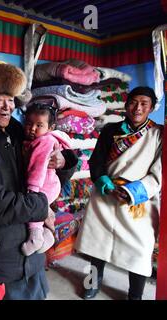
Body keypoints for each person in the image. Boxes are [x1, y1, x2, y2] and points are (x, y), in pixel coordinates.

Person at [0, 60, 78, 300]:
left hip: (29, 258)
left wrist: (63, 162)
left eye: (11, 99)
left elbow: (46, 176)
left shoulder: (20, 134)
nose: (6, 107)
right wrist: (40, 207)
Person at [75, 87, 162, 300]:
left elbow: (159, 172)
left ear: (151, 107)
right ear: (126, 104)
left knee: (139, 252)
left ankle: (135, 295)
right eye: (133, 102)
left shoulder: (159, 134)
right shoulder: (110, 129)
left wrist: (133, 192)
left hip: (137, 202)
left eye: (144, 103)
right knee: (96, 245)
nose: (138, 107)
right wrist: (103, 180)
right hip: (105, 194)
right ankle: (92, 284)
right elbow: (96, 160)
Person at [21, 102, 72, 256]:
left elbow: (37, 168)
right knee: (41, 210)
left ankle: (36, 237)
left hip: (42, 184)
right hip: (49, 184)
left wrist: (33, 190)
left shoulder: (44, 142)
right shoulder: (40, 139)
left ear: (50, 128)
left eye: (39, 125)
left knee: (34, 208)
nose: (32, 128)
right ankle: (48, 236)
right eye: (29, 123)